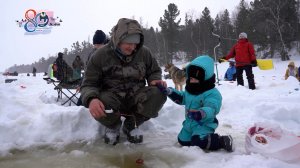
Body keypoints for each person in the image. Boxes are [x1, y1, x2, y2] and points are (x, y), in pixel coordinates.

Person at [80, 18, 167, 145]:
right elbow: (88, 83)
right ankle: (112, 126)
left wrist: (154, 80)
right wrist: (91, 99)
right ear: (119, 39)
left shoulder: (144, 53)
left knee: (159, 93)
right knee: (100, 100)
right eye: (129, 43)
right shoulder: (100, 55)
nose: (133, 47)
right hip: (112, 99)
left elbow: (154, 70)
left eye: (135, 43)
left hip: (136, 96)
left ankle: (131, 125)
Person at [157, 56, 233, 152]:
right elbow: (182, 97)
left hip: (203, 124)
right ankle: (194, 138)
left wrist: (201, 113)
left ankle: (222, 141)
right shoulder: (191, 90)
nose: (192, 81)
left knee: (198, 141)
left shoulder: (211, 93)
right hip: (189, 124)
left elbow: (212, 108)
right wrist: (169, 91)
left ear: (205, 78)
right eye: (191, 78)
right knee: (182, 140)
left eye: (195, 79)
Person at [76, 29, 107, 106]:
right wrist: (81, 84)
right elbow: (87, 71)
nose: (97, 47)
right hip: (92, 85)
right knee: (80, 105)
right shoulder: (92, 54)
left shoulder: (110, 52)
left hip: (105, 88)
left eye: (99, 45)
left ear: (104, 43)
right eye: (95, 45)